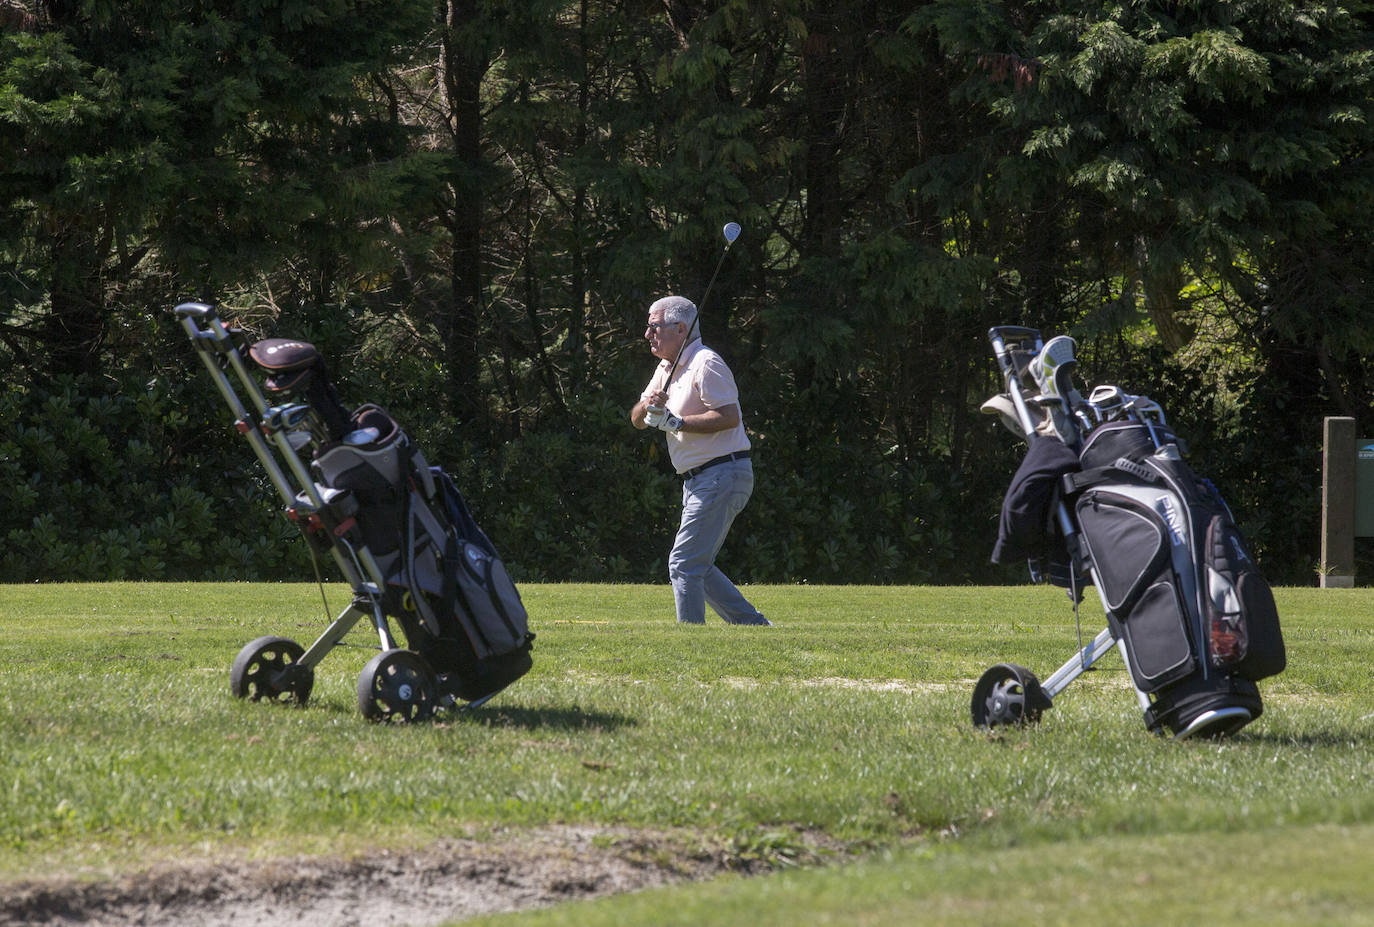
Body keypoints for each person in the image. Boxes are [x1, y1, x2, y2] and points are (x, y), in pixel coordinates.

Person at [630, 295, 770, 626]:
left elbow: (729, 416)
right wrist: (650, 406)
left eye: (654, 327)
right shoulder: (666, 367)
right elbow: (637, 419)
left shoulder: (705, 363)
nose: (648, 335)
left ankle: (691, 640)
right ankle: (754, 627)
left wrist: (676, 423)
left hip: (723, 471)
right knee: (698, 566)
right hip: (699, 479)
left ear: (681, 328)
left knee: (684, 564)